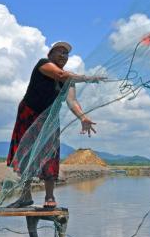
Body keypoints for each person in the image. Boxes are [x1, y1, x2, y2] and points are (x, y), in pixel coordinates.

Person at [6, 41, 103, 208]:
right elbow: (59, 75)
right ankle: (25, 196)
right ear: (50, 54)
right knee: (26, 154)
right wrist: (88, 78)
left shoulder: (69, 79)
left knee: (49, 155)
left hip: (49, 119)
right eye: (60, 51)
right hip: (29, 114)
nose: (63, 56)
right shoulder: (43, 64)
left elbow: (72, 101)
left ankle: (49, 197)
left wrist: (83, 117)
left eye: (66, 54)